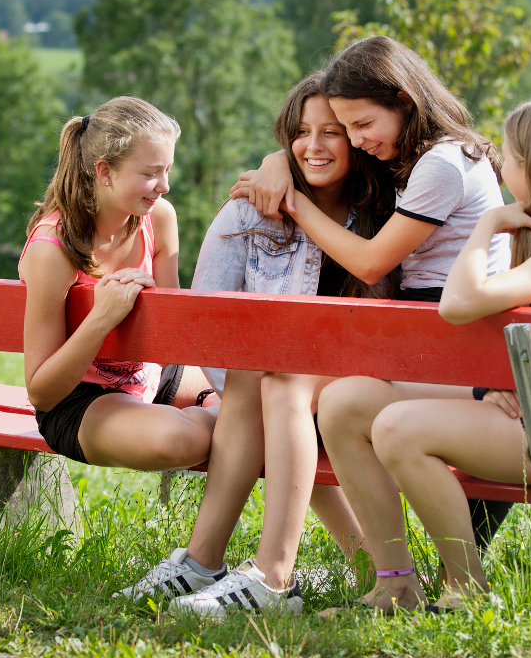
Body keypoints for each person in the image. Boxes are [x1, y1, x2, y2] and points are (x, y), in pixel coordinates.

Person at [323, 97, 531, 613]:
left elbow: (460, 302)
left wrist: (487, 225)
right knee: (344, 401)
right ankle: (394, 585)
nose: (502, 169)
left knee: (400, 427)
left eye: (509, 158)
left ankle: (466, 589)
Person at [232, 35, 515, 579]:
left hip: (454, 343)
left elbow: (369, 263)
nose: (358, 142)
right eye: (350, 128)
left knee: (288, 385)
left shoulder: (442, 165)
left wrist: (293, 202)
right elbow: (322, 154)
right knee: (305, 394)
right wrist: (278, 160)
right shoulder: (422, 156)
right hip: (435, 338)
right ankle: (387, 577)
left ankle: (276, 570)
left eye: (363, 125)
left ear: (404, 102)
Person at [118, 73, 396, 617]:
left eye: (331, 132)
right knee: (263, 377)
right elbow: (210, 324)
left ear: (357, 141)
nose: (313, 146)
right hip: (269, 397)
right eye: (299, 132)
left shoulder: (384, 216)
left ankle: (269, 577)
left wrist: (285, 179)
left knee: (277, 383)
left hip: (354, 400)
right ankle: (219, 564)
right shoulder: (250, 211)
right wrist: (277, 167)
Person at [19, 96, 215, 471]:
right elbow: (41, 393)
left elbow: (171, 332)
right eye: (151, 172)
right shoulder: (53, 249)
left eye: (168, 170)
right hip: (80, 398)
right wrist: (101, 317)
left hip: (151, 372)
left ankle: (223, 422)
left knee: (260, 405)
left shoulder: (159, 219)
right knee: (184, 439)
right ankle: (223, 425)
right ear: (104, 171)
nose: (165, 186)